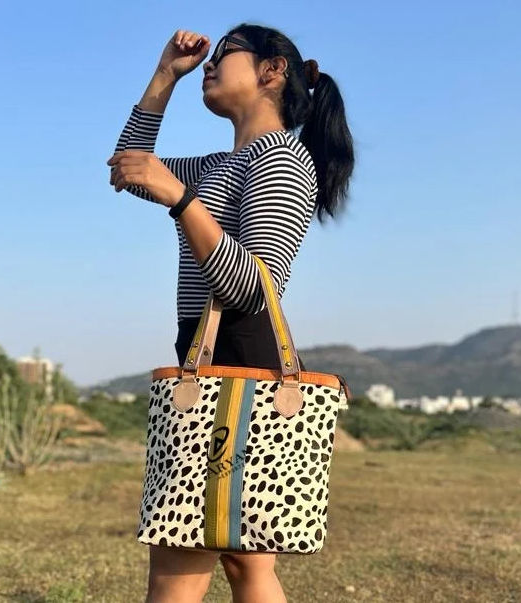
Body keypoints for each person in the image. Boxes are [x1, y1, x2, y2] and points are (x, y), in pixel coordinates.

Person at [107, 22, 354, 603]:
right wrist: (166, 74)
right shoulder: (224, 162)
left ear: (272, 71)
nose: (211, 64)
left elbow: (250, 288)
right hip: (213, 353)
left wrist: (180, 199)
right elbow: (129, 166)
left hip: (241, 356)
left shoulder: (283, 159)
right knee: (247, 565)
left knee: (179, 565)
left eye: (226, 54)